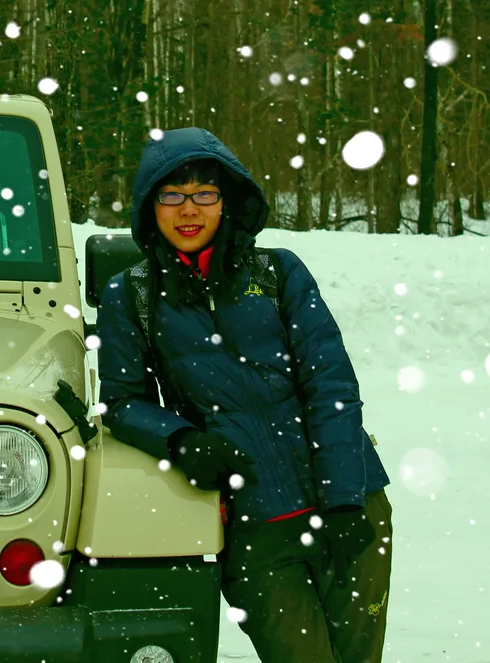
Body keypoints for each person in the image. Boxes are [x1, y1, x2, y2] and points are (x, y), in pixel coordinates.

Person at [97, 127, 393, 663]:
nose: (189, 209)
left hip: (349, 505)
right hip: (254, 530)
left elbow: (330, 386)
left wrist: (346, 499)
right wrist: (180, 439)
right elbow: (120, 402)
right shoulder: (131, 294)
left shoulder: (279, 273)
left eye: (204, 193)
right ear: (149, 206)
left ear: (227, 200)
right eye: (172, 195)